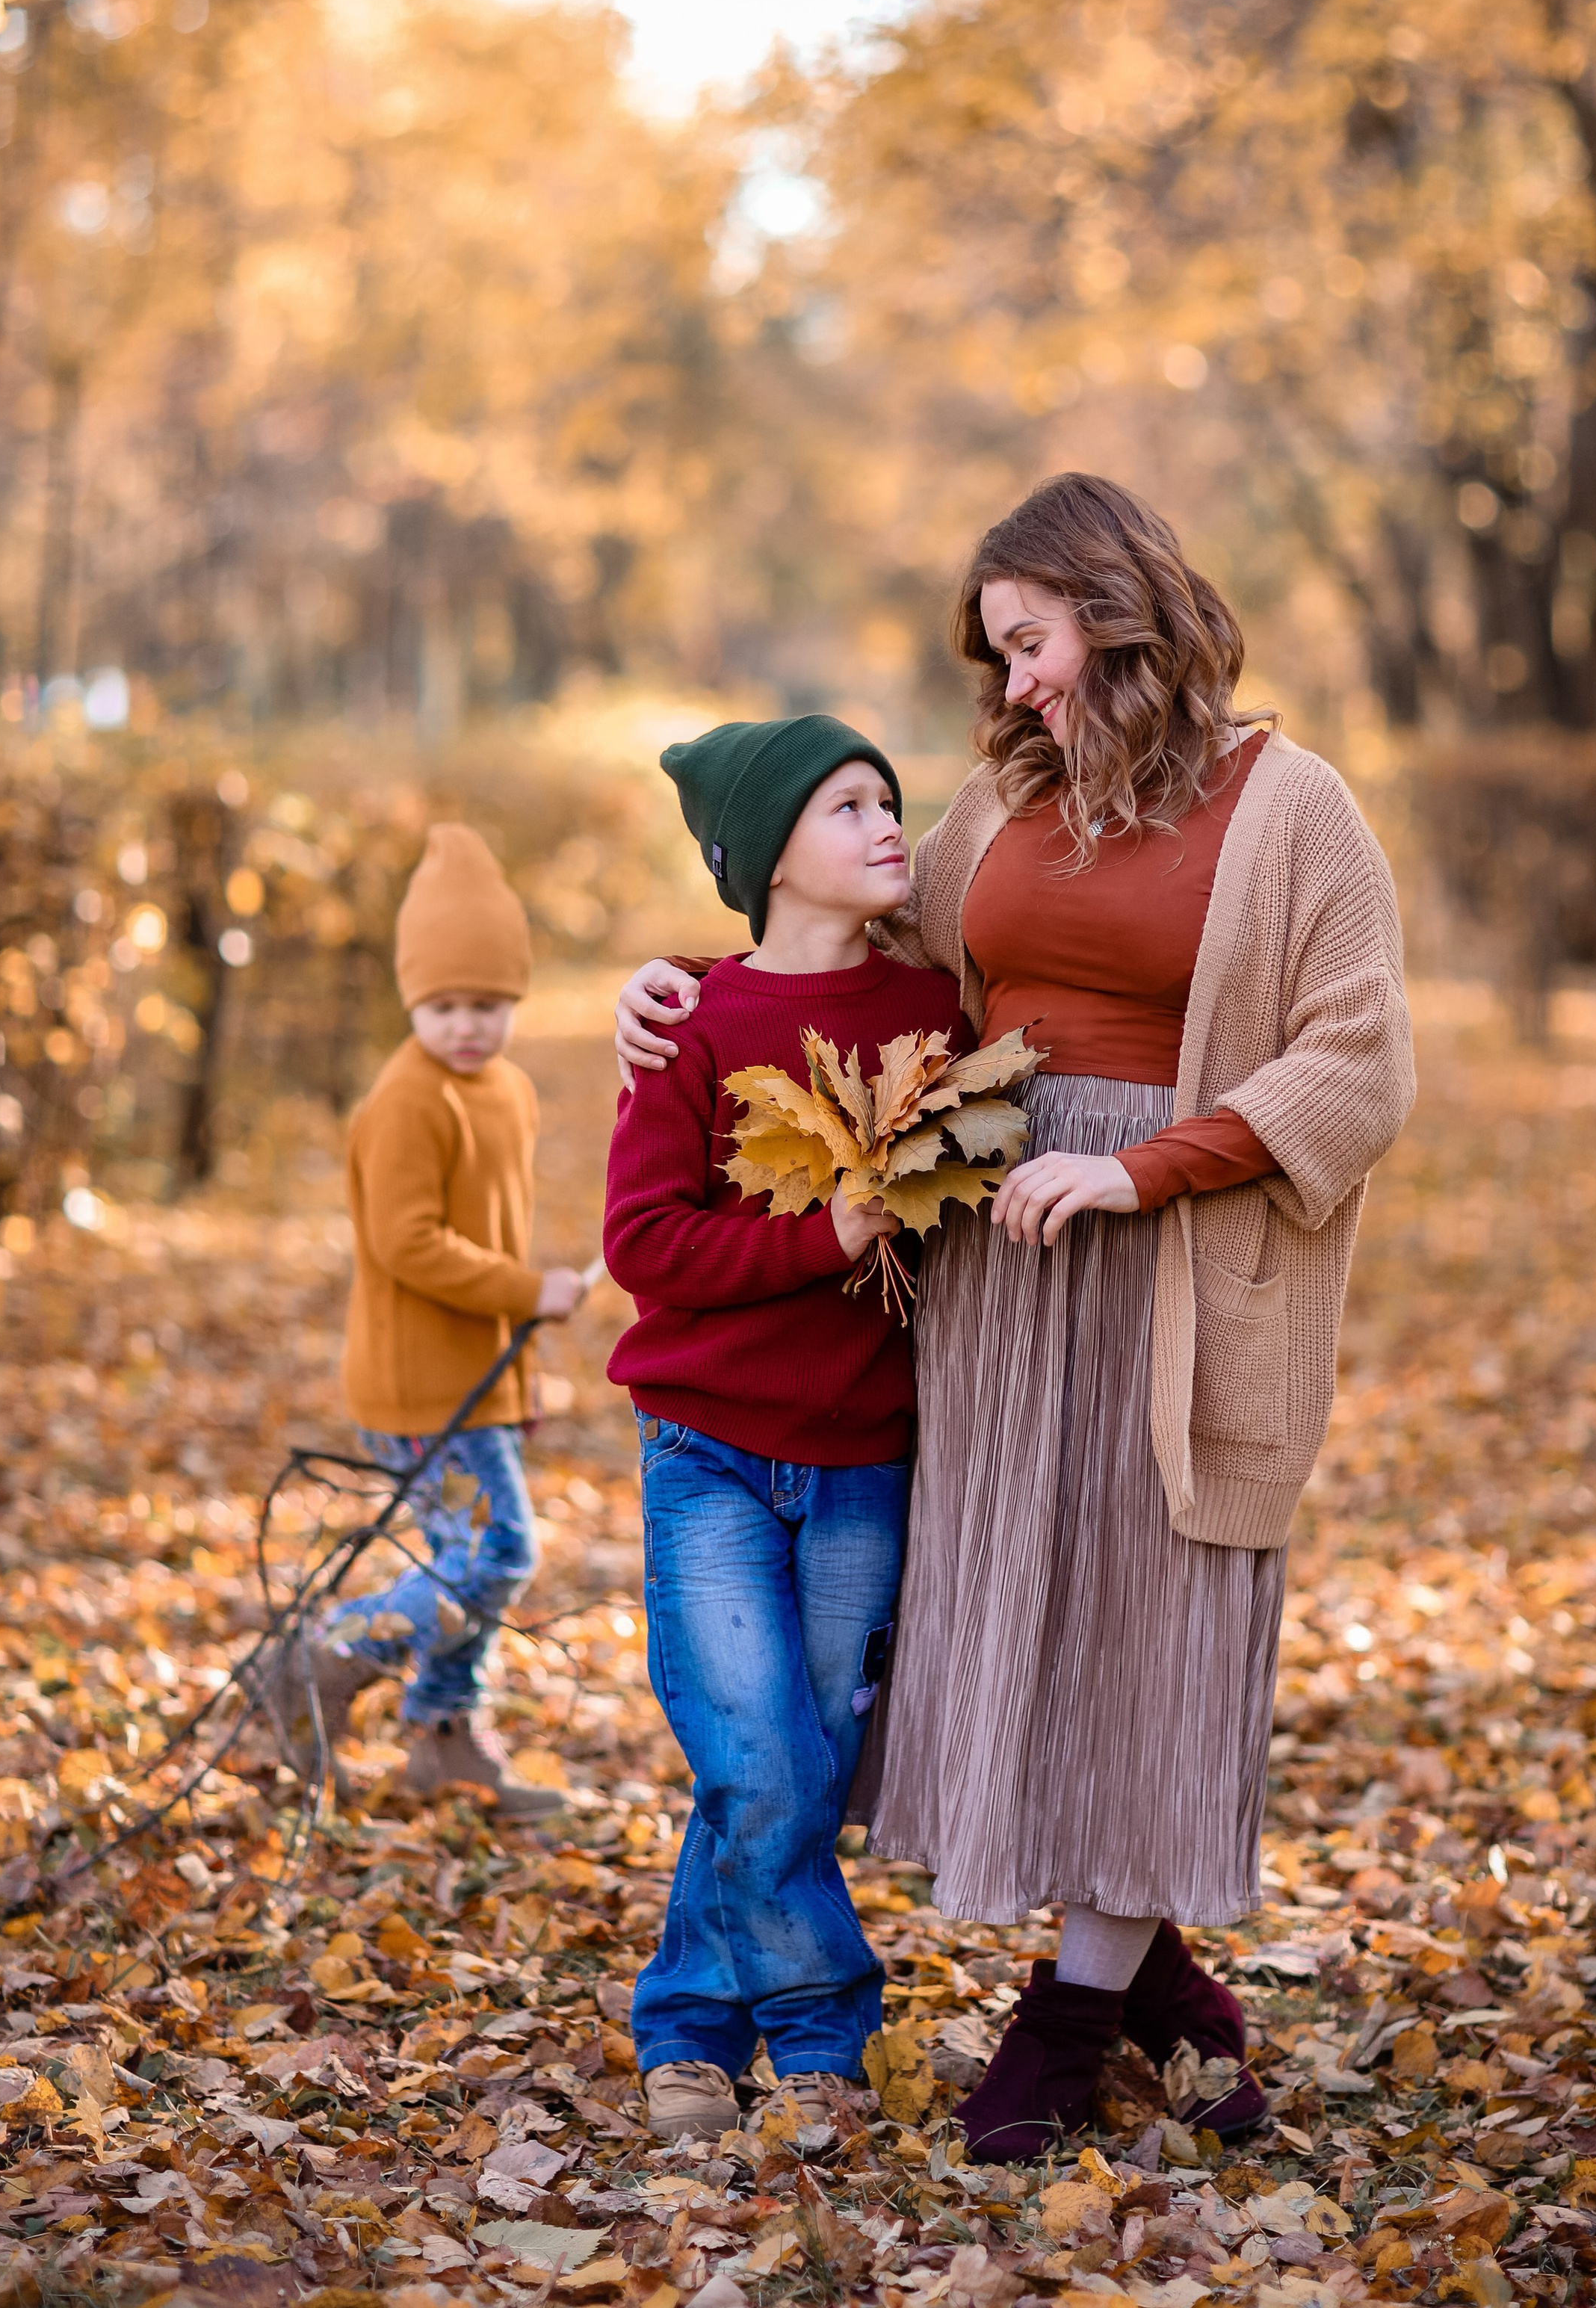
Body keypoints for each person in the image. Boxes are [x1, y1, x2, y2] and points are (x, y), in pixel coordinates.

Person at [613, 474, 1414, 2159]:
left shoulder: (1292, 807)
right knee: (1027, 1631)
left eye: (1034, 644)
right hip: (989, 1272)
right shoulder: (1003, 800)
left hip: (1173, 1268)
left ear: (1118, 613)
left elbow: (1355, 1062)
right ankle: (1159, 1990)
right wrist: (672, 984)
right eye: (1000, 657)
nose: (1019, 683)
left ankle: (1060, 2028)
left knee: (1155, 1632)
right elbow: (833, 932)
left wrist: (1145, 1174)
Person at [602, 714, 970, 2147]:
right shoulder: (690, 1023)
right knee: (757, 1755)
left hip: (864, 1458)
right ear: (766, 858)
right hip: (705, 1453)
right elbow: (646, 1244)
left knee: (802, 1753)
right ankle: (821, 2040)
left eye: (892, 796)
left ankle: (690, 2023)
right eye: (848, 808)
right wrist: (829, 1235)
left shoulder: (935, 1015)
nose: (889, 826)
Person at [267, 824, 586, 1819]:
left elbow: (491, 1224)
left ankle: (445, 1739)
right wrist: (529, 1293)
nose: (468, 1027)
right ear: (413, 1001)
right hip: (418, 1383)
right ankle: (323, 1656)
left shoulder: (508, 1091)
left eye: (488, 1006)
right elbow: (410, 1244)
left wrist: (518, 1384)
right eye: (445, 1007)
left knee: (479, 1555)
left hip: (476, 1381)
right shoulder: (405, 1101)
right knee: (495, 1556)